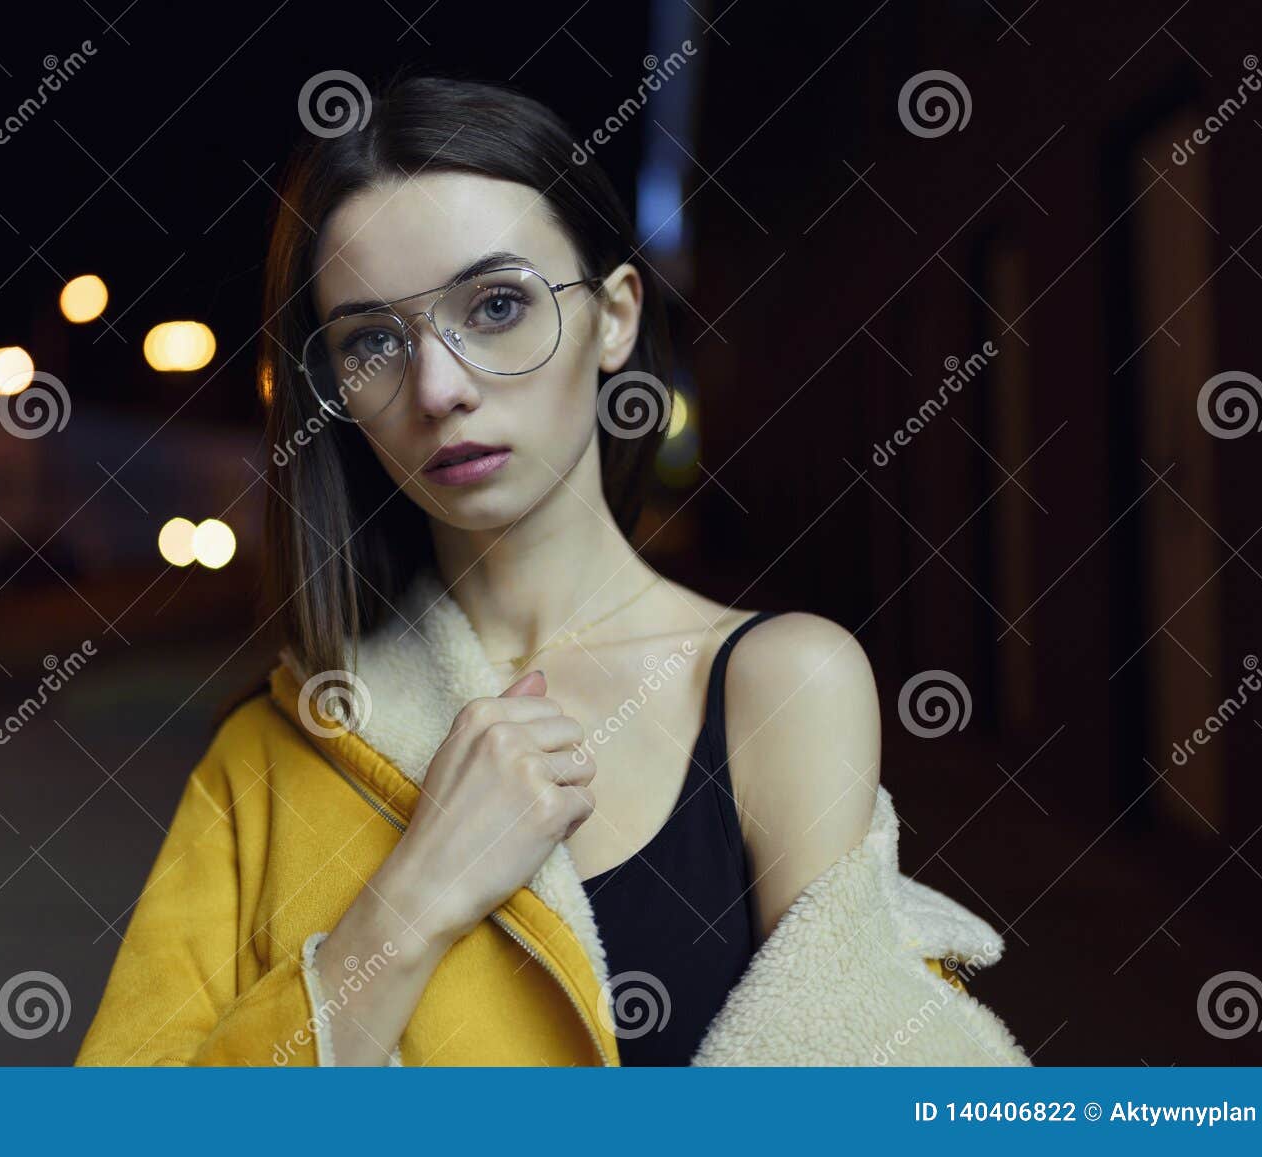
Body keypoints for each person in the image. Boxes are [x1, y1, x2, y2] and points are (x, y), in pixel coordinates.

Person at [75, 73, 1029, 1067]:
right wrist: (410, 901)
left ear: (615, 316)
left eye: (494, 305)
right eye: (371, 340)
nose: (438, 387)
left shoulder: (780, 682)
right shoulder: (271, 751)